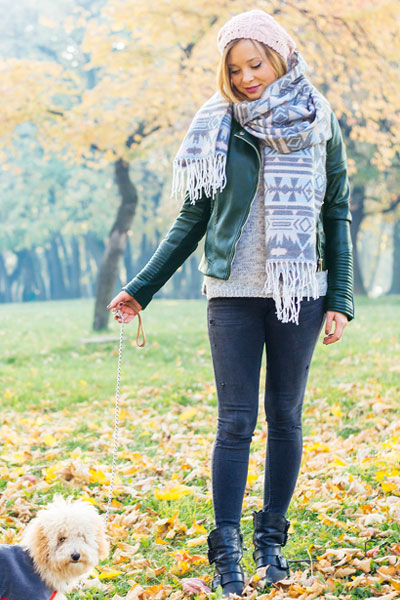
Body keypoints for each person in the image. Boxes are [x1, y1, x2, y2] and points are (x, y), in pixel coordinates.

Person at [107, 9, 354, 596]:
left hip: (302, 293)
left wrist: (340, 296)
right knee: (236, 422)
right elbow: (191, 219)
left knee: (286, 417)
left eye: (256, 64)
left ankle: (272, 540)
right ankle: (228, 551)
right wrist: (140, 288)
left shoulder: (321, 119)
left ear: (280, 56)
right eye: (236, 68)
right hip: (232, 295)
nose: (246, 78)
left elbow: (336, 210)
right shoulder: (216, 124)